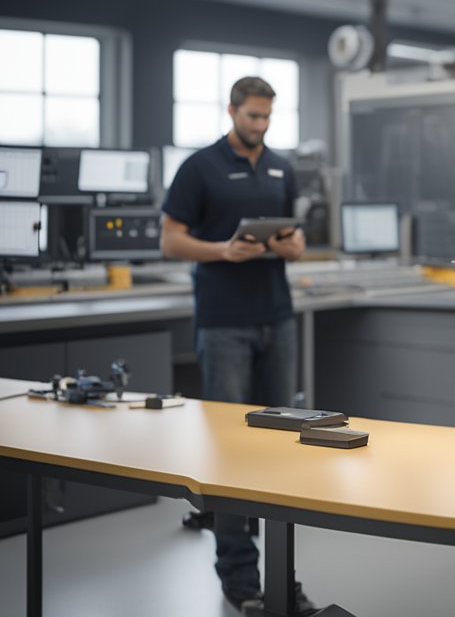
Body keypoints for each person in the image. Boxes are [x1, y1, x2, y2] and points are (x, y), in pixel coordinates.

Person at [161, 76, 315, 615]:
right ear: (231, 111)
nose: (260, 126)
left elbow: (294, 242)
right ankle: (240, 578)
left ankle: (283, 577)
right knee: (230, 451)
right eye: (252, 116)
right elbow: (170, 238)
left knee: (281, 446)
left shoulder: (279, 164)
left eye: (267, 117)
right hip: (223, 323)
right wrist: (221, 251)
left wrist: (293, 246)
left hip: (277, 317)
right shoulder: (199, 167)